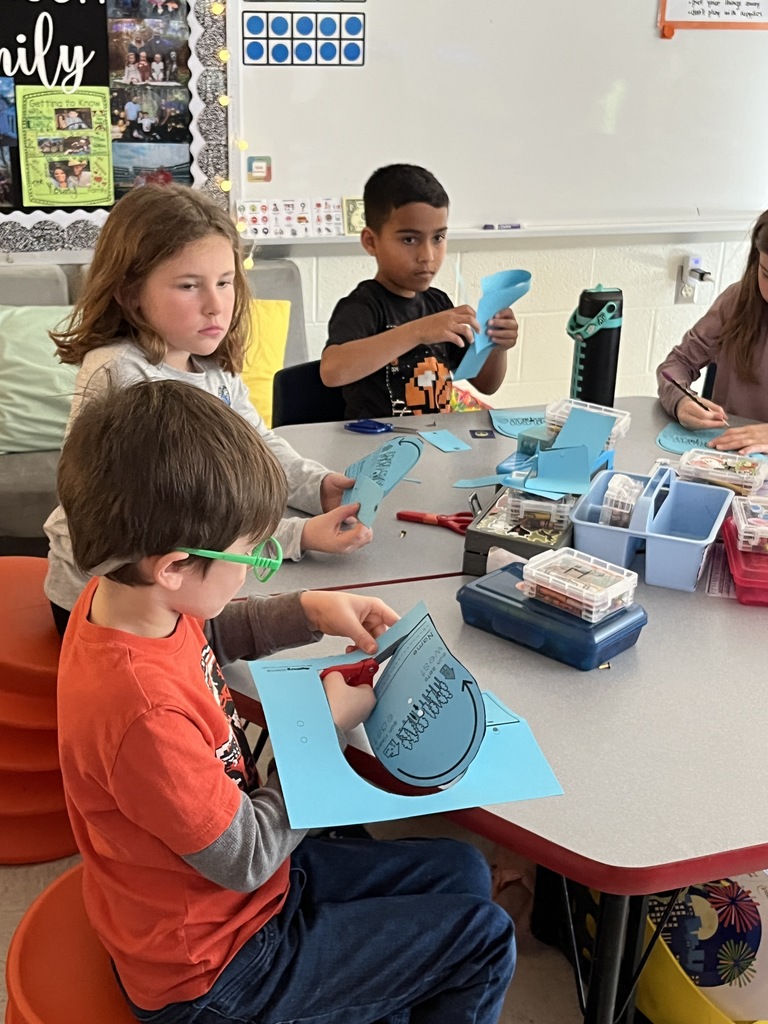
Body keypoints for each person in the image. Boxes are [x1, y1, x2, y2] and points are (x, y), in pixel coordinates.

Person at [56, 377, 516, 1024]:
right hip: (219, 971)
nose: (253, 567)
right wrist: (321, 730)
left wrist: (309, 610)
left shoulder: (125, 601)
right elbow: (245, 857)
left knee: (464, 871)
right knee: (483, 941)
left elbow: (206, 631)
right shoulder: (142, 716)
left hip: (237, 901)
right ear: (175, 566)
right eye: (249, 554)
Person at [44, 184, 371, 635]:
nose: (216, 305)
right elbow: (171, 517)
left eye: (224, 282)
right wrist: (296, 536)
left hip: (178, 583)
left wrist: (317, 488)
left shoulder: (211, 365)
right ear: (129, 293)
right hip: (105, 604)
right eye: (188, 285)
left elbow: (258, 444)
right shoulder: (120, 375)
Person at [320, 163, 519, 418]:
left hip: (436, 446)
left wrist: (497, 346)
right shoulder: (363, 306)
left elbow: (486, 384)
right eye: (409, 240)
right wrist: (418, 331)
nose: (427, 256)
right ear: (371, 242)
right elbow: (333, 371)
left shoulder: (439, 304)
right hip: (378, 449)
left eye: (438, 238)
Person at [656, 209, 768, 455]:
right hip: (726, 462)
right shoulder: (737, 301)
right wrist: (681, 400)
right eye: (766, 275)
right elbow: (674, 366)